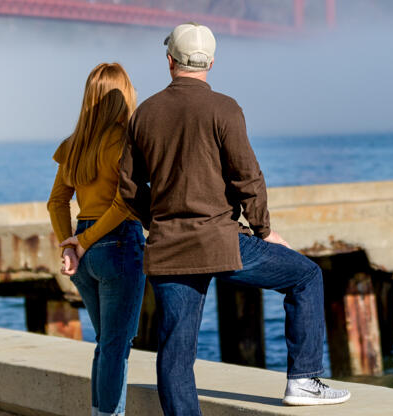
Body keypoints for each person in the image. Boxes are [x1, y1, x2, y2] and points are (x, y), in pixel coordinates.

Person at [119, 23, 351, 415]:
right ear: (211, 61)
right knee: (306, 275)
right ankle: (302, 381)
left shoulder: (145, 113)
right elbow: (248, 178)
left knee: (176, 350)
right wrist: (264, 231)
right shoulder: (225, 108)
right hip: (222, 242)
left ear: (170, 61)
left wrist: (159, 219)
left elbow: (126, 187)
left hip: (169, 246)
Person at [48, 63, 145, 416]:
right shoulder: (125, 141)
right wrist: (84, 240)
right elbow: (125, 202)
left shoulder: (74, 145)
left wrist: (70, 244)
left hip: (86, 253)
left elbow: (56, 201)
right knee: (116, 345)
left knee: (105, 344)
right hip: (116, 242)